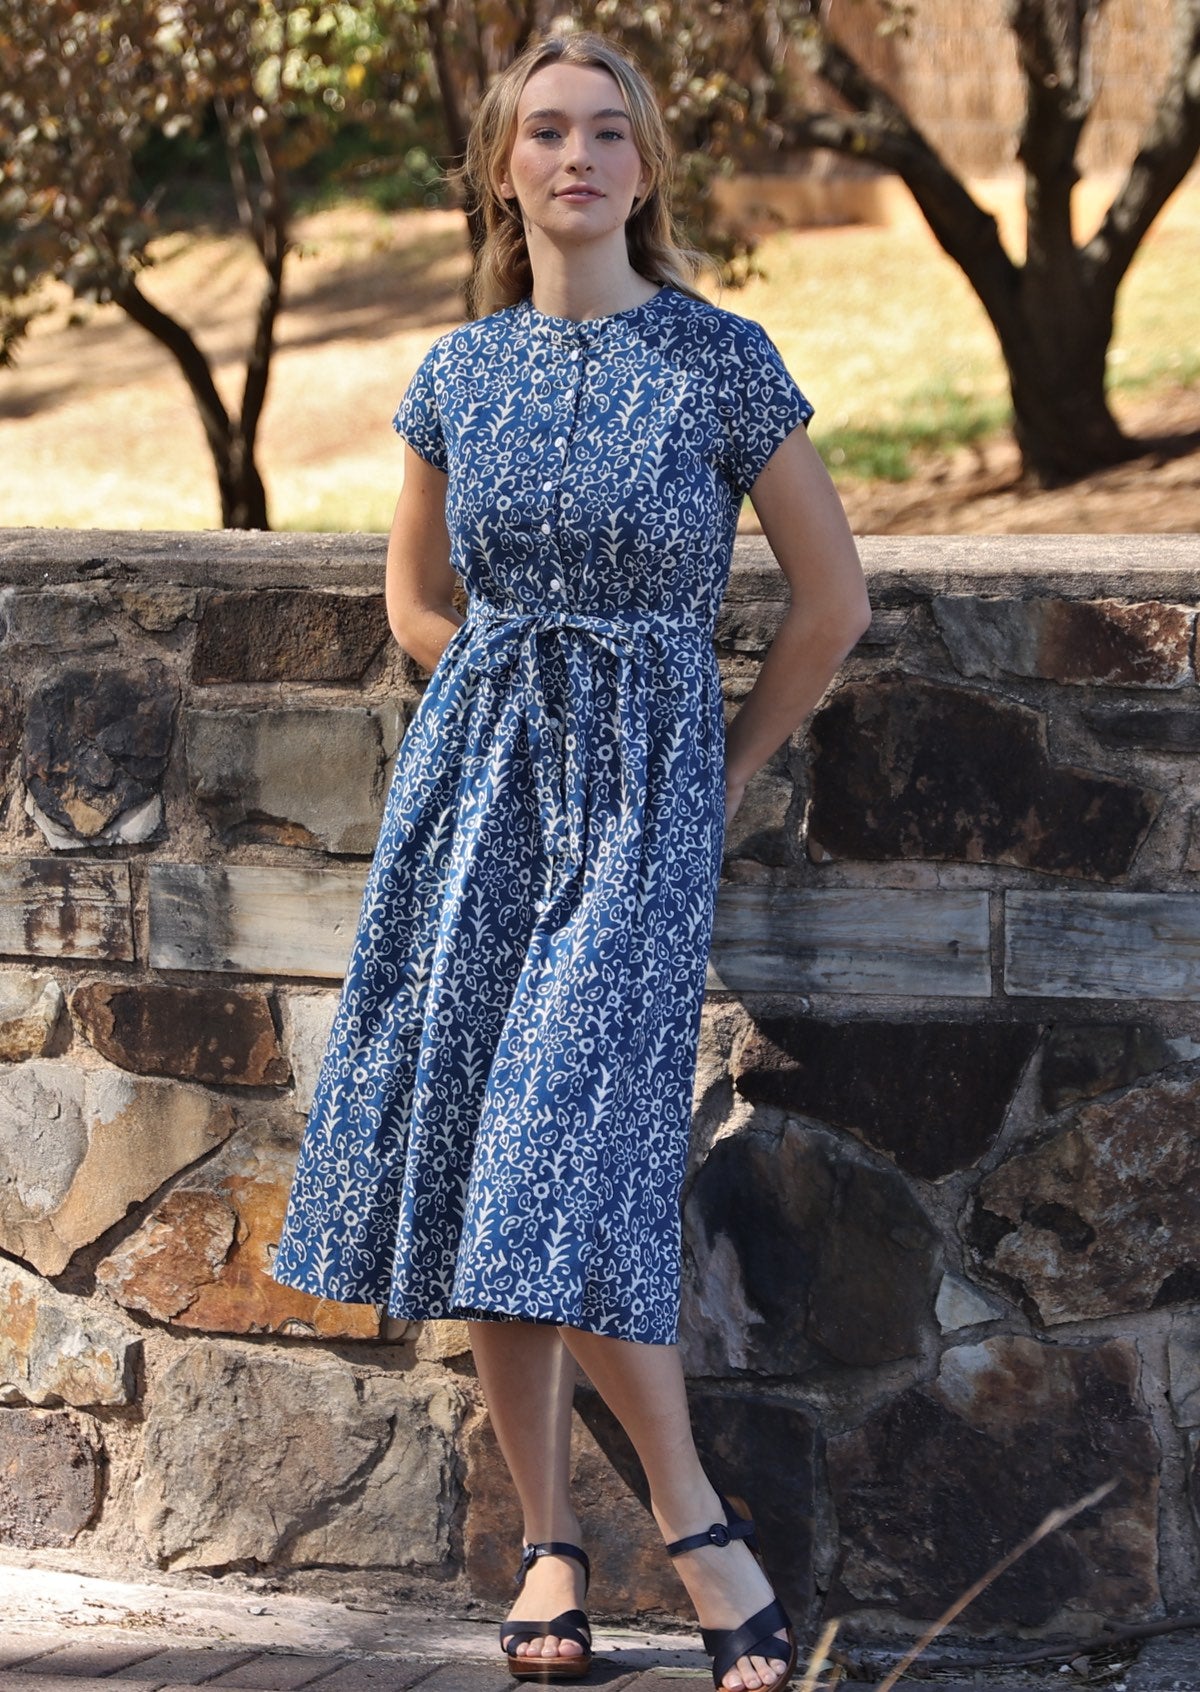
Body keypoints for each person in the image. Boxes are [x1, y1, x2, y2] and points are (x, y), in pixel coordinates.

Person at [271, 29, 870, 1692]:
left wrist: (720, 778)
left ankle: (689, 1520)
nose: (578, 157)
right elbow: (414, 604)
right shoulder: (456, 374)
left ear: (648, 168)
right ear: (504, 166)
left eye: (609, 131)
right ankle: (550, 1548)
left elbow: (833, 607)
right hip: (478, 799)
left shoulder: (722, 359)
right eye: (547, 130)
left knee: (551, 1148)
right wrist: (490, 695)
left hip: (643, 810)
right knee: (490, 1164)